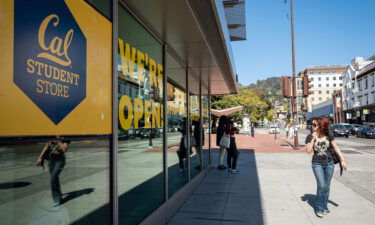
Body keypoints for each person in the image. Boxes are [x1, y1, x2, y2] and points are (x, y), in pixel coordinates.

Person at [306, 117, 347, 218]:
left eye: (314, 125)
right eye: (312, 124)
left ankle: (324, 206)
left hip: (329, 163)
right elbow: (308, 151)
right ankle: (319, 208)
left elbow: (336, 148)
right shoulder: (309, 136)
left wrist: (342, 160)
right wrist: (313, 139)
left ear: (320, 125)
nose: (312, 126)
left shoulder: (329, 135)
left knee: (327, 187)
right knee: (321, 186)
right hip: (317, 164)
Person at [37, 135, 70, 205]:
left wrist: (58, 140)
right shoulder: (51, 136)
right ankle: (58, 195)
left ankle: (57, 198)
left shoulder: (65, 138)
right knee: (54, 178)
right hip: (50, 161)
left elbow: (64, 149)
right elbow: (46, 147)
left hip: (60, 161)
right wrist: (40, 157)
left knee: (53, 178)